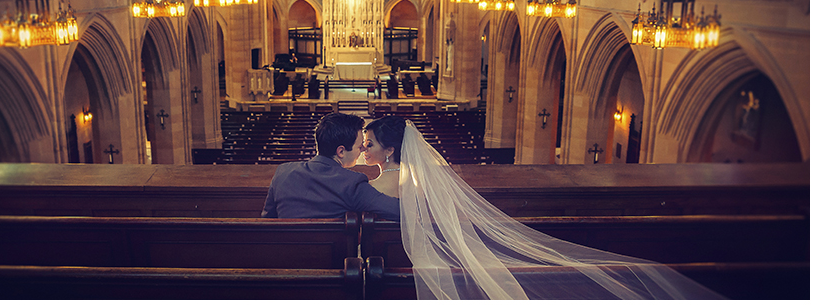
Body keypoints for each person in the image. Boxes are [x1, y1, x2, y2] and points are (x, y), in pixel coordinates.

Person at [382, 116, 725, 300]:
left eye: (370, 144)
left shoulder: (383, 184)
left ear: (389, 149)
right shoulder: (420, 182)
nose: (365, 149)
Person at [261, 112, 400, 221]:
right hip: (333, 257)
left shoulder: (283, 172)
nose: (363, 150)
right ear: (340, 151)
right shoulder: (352, 183)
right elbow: (398, 211)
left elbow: (267, 222)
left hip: (284, 255)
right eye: (359, 146)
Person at [362, 116, 405, 198]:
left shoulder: (371, 187)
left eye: (369, 144)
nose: (363, 148)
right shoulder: (416, 182)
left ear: (389, 150)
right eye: (364, 143)